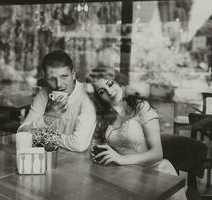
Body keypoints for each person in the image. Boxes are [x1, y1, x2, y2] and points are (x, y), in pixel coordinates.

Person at [89, 66, 187, 200]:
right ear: (98, 97)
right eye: (102, 91)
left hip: (157, 175)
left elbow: (157, 153)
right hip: (127, 177)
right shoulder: (105, 118)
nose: (110, 92)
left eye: (110, 84)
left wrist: (122, 159)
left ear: (118, 80)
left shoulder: (141, 107)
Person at [17, 50, 96, 152]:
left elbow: (79, 145)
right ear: (45, 78)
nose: (59, 85)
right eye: (52, 79)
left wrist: (43, 136)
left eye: (64, 77)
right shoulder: (43, 94)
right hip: (52, 157)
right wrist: (46, 119)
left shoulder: (87, 96)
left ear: (73, 74)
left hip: (82, 161)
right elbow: (21, 132)